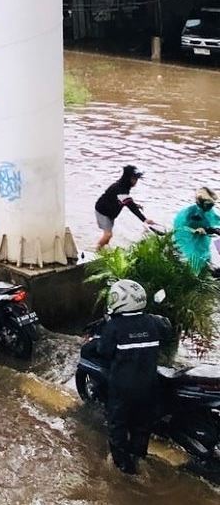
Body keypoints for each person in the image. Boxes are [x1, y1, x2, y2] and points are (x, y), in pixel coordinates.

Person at [84, 279, 173, 475]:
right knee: (142, 425)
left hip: (122, 387)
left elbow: (104, 351)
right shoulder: (153, 322)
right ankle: (139, 457)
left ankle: (123, 468)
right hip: (149, 385)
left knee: (118, 425)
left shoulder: (114, 327)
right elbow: (168, 333)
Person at [95, 165, 154, 250]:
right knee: (108, 234)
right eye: (134, 179)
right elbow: (130, 206)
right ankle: (96, 251)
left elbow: (126, 201)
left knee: (107, 237)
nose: (136, 181)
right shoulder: (120, 189)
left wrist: (135, 204)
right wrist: (144, 219)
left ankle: (102, 249)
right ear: (128, 178)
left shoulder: (124, 188)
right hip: (103, 212)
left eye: (137, 179)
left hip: (110, 213)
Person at [173, 187, 220, 274]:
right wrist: (193, 230)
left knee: (205, 259)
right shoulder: (189, 212)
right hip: (188, 241)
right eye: (208, 205)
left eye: (212, 205)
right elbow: (179, 227)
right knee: (193, 263)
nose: (210, 207)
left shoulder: (210, 212)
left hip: (202, 242)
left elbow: (217, 220)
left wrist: (214, 230)